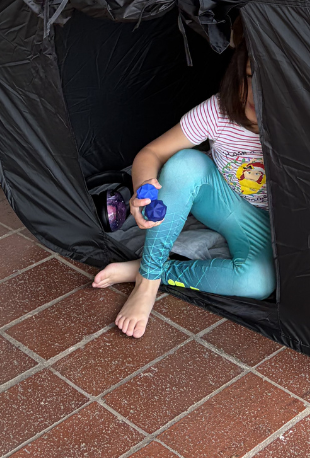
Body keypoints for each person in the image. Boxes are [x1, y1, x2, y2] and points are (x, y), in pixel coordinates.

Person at [92, 23, 273, 337]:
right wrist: (143, 191)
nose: (255, 93)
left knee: (257, 283)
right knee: (184, 164)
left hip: (273, 226)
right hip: (225, 202)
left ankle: (151, 271)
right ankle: (148, 280)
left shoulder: (303, 125)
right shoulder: (219, 111)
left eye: (270, 85)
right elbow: (152, 153)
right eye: (249, 76)